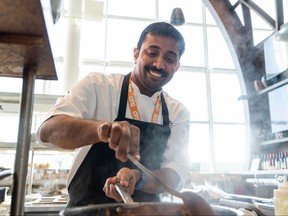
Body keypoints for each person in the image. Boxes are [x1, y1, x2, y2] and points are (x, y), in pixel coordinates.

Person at [37, 22, 192, 207]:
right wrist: (101, 130)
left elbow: (176, 172)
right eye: (152, 53)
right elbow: (46, 132)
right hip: (87, 211)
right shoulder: (98, 86)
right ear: (136, 54)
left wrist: (138, 178)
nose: (159, 64)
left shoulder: (177, 113)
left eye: (169, 58)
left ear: (177, 66)